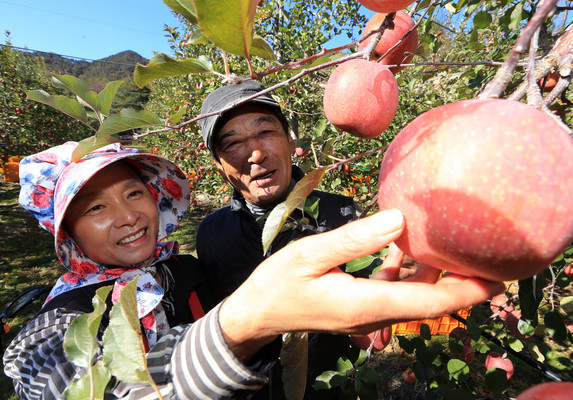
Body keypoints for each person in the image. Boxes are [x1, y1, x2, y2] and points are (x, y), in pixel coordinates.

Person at [3, 141, 504, 400]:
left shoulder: (180, 270)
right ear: (67, 233)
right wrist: (245, 321)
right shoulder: (60, 325)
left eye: (134, 193)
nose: (128, 215)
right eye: (95, 208)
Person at [194, 80, 403, 398]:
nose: (256, 154)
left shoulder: (341, 213)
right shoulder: (211, 234)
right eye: (232, 143)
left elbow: (374, 339)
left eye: (266, 132)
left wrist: (380, 302)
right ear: (218, 165)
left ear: (291, 142)